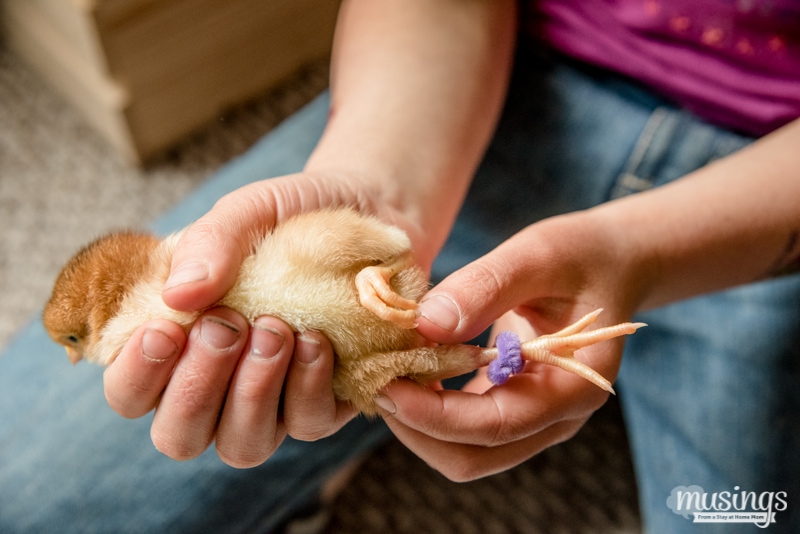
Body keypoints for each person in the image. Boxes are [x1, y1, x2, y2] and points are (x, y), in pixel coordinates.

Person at [1, 0, 797, 532]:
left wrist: (642, 252)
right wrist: (375, 187)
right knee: (23, 496)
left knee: (739, 511)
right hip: (491, 91)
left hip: (767, 196)